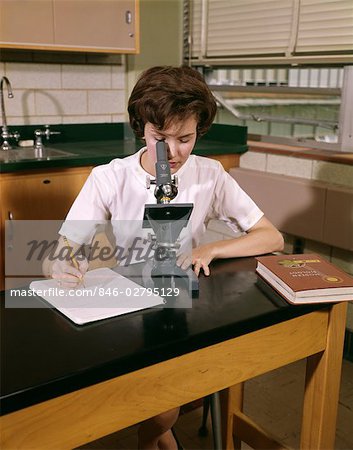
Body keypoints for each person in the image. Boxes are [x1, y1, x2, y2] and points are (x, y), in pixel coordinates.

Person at [43, 65, 283, 449]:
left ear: (199, 130)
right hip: (131, 309)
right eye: (160, 138)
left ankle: (157, 431)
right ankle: (158, 432)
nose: (172, 153)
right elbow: (63, 249)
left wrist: (212, 248)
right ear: (142, 127)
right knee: (158, 401)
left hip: (185, 305)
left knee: (174, 390)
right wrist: (65, 263)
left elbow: (272, 237)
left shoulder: (210, 174)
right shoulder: (110, 177)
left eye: (185, 138)